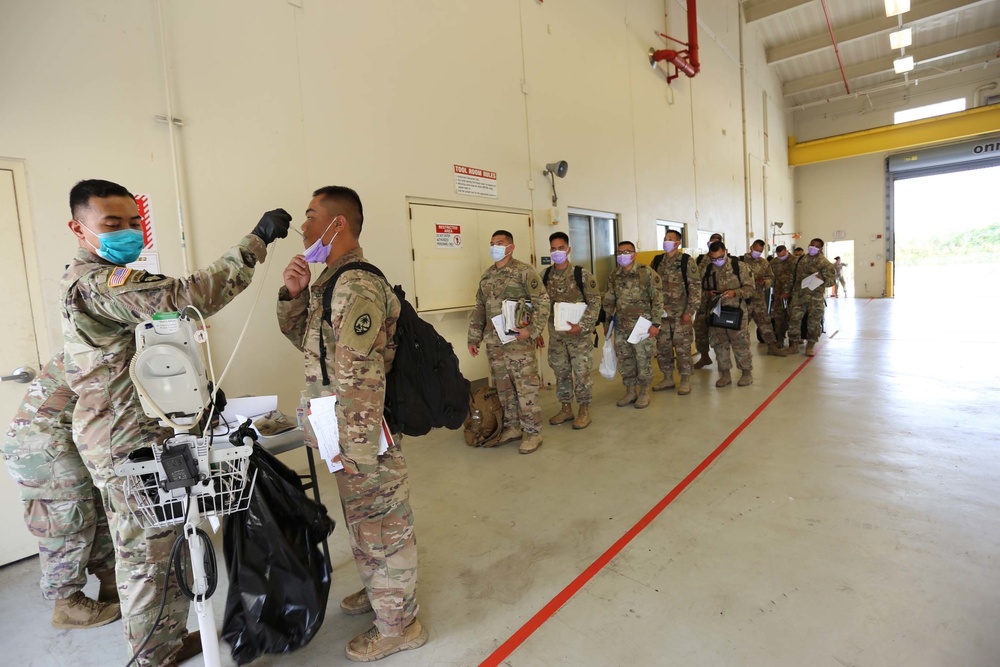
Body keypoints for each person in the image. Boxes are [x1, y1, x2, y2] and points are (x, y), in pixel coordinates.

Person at [60, 179, 288, 666]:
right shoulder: (99, 283)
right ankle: (150, 658)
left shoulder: (112, 278)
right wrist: (256, 241)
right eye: (111, 224)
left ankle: (163, 641)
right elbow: (186, 296)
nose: (126, 232)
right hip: (124, 443)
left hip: (139, 431)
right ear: (78, 229)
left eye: (132, 222)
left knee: (170, 546)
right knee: (147, 558)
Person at [277, 186, 427, 662]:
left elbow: (359, 371)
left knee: (383, 525)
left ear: (337, 224)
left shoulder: (356, 285)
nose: (303, 226)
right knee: (365, 523)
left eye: (310, 216)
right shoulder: (330, 280)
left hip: (361, 432)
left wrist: (357, 448)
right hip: (341, 427)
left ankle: (399, 625)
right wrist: (293, 296)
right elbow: (311, 345)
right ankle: (380, 589)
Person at [2, 352, 119, 629]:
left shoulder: (95, 346)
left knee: (95, 509)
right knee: (68, 523)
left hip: (59, 441)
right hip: (43, 447)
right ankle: (66, 605)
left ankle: (112, 581)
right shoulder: (91, 353)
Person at [467, 229, 551, 454]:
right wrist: (473, 338)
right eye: (492, 243)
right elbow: (479, 309)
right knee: (504, 389)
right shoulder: (487, 276)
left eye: (500, 243)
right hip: (495, 344)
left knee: (525, 388)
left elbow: (542, 302)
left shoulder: (524, 272)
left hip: (518, 343)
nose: (495, 247)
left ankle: (533, 433)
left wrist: (531, 331)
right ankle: (513, 427)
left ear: (511, 247)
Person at [542, 232, 602, 429]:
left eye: (560, 248)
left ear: (568, 250)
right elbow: (540, 306)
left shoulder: (581, 275)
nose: (556, 252)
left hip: (579, 336)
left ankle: (584, 410)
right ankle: (566, 408)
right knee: (561, 372)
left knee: (582, 373)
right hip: (556, 336)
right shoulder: (545, 275)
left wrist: (582, 326)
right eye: (553, 248)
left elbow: (595, 303)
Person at [603, 241, 663, 408]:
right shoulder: (614, 275)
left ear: (634, 254)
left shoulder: (646, 273)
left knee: (643, 360)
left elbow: (657, 299)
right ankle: (630, 391)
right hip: (621, 326)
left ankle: (644, 392)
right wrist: (607, 323)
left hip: (642, 326)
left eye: (627, 252)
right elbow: (609, 300)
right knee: (625, 361)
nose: (623, 255)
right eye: (620, 252)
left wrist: (656, 324)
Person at [651, 229, 701, 395]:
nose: (667, 242)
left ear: (678, 243)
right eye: (665, 239)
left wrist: (690, 311)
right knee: (663, 348)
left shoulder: (687, 261)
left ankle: (685, 379)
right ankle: (667, 378)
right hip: (662, 315)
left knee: (682, 349)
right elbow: (651, 287)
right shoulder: (658, 261)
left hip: (681, 315)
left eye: (670, 239)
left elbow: (695, 288)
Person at [702, 240, 755, 387]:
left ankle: (746, 373)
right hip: (716, 312)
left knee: (740, 343)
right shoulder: (707, 270)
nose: (717, 261)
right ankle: (725, 374)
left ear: (726, 251)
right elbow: (698, 290)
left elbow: (750, 288)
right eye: (713, 259)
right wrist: (707, 293)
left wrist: (735, 292)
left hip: (736, 312)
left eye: (720, 257)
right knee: (719, 344)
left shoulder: (740, 267)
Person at [787, 238, 836, 356]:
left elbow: (832, 281)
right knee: (794, 320)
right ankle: (793, 345)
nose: (812, 248)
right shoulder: (799, 260)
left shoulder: (825, 263)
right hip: (799, 296)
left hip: (815, 298)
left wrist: (823, 279)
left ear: (820, 249)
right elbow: (792, 277)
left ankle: (810, 346)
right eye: (811, 245)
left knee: (813, 322)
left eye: (816, 246)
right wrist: (788, 291)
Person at [743, 239, 791, 357]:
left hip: (759, 298)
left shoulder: (764, 263)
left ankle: (772, 347)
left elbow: (771, 277)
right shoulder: (740, 261)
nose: (757, 253)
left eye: (760, 251)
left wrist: (765, 282)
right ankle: (742, 351)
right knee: (741, 326)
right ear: (751, 247)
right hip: (744, 300)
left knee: (766, 323)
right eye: (756, 250)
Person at [693, 233, 723, 370]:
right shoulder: (701, 259)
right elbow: (695, 281)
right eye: (710, 242)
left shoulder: (729, 261)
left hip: (722, 302)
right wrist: (705, 294)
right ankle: (704, 356)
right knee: (700, 328)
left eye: (715, 242)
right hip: (704, 301)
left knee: (719, 332)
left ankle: (723, 363)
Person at [768, 245, 796, 347]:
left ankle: (793, 341)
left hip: (793, 295)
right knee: (779, 317)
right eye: (779, 256)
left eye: (783, 255)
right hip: (778, 295)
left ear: (786, 251)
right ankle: (780, 339)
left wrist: (789, 292)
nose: (781, 257)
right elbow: (770, 276)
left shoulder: (795, 261)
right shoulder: (774, 263)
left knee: (793, 318)